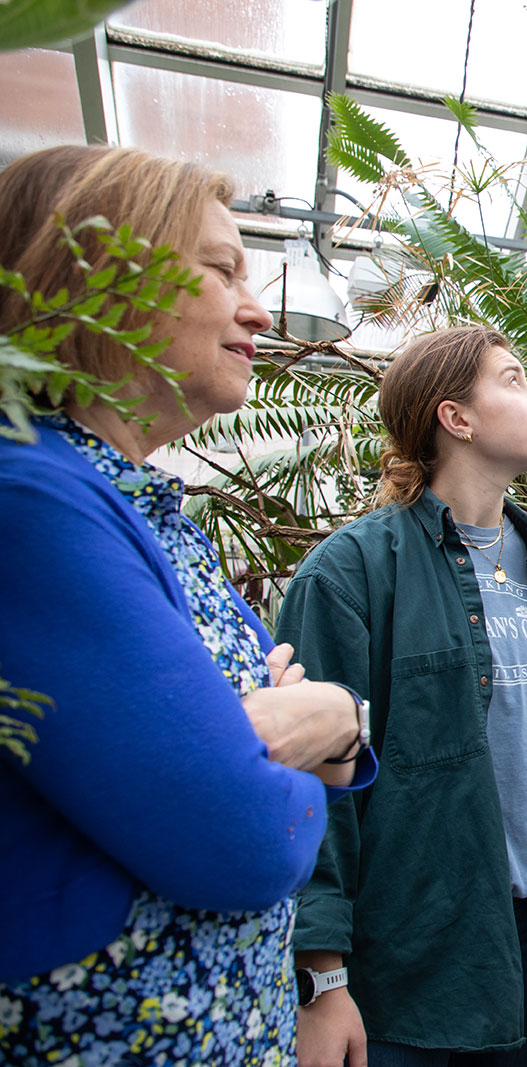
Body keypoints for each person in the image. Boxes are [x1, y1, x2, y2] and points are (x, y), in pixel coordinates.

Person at [0, 144, 377, 1064]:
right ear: (87, 275)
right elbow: (248, 839)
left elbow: (325, 758)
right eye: (220, 270)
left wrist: (316, 723)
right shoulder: (29, 499)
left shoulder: (145, 508)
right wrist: (319, 715)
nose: (257, 307)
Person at [277, 325, 527, 1066]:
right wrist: (323, 978)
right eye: (513, 379)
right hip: (406, 964)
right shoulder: (349, 575)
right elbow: (311, 794)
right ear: (457, 418)